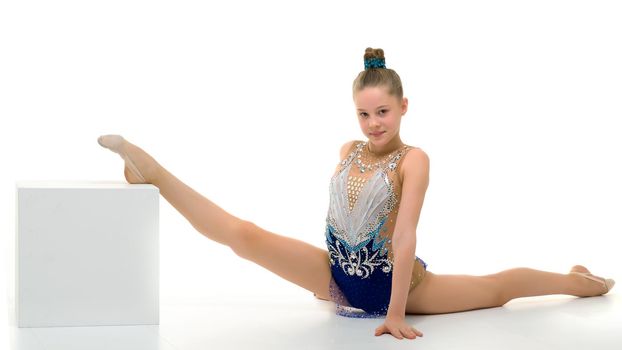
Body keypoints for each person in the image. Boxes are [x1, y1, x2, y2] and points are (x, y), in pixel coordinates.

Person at [97, 47, 615, 340]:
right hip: (338, 278)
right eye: (364, 114)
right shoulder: (347, 148)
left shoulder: (415, 159)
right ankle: (151, 173)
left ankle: (581, 284)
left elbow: (404, 234)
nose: (373, 124)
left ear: (404, 107)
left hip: (404, 286)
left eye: (383, 112)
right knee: (245, 235)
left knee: (500, 288)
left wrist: (394, 314)